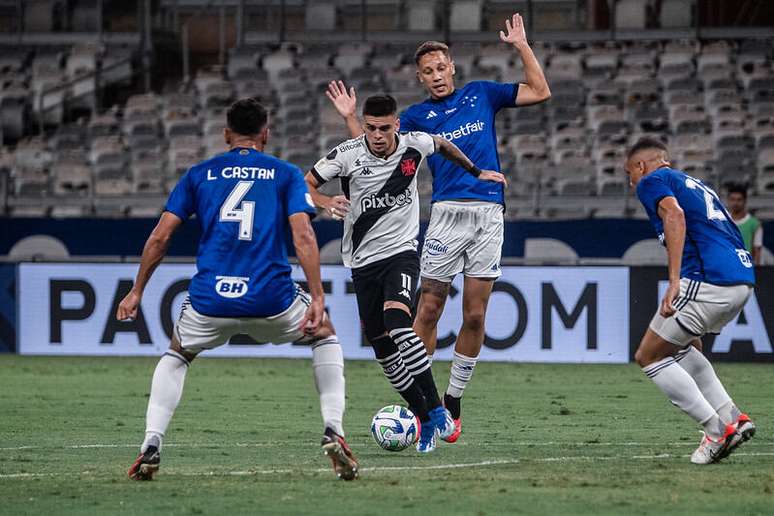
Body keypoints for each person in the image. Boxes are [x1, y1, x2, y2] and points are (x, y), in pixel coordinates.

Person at [326, 13, 551, 442]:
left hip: (488, 214)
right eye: (427, 71)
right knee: (428, 308)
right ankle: (423, 408)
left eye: (441, 68)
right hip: (445, 214)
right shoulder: (414, 117)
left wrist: (521, 45)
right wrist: (351, 118)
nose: (436, 76)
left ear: (452, 68)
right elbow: (373, 148)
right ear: (420, 78)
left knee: (475, 313)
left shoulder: (481, 94)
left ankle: (454, 402)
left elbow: (541, 91)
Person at [117, 98, 357, 481]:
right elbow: (303, 235)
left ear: (226, 134)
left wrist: (136, 291)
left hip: (210, 300)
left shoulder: (199, 173)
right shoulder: (284, 173)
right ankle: (334, 430)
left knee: (177, 354)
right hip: (272, 298)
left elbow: (160, 237)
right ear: (266, 134)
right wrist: (317, 297)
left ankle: (151, 443)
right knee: (325, 338)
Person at [305, 95, 506, 453]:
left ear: (397, 125)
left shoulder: (414, 144)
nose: (378, 135)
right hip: (362, 262)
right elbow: (306, 183)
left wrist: (477, 172)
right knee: (382, 348)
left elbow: (443, 144)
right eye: (371, 129)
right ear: (364, 127)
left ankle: (438, 410)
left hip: (401, 254)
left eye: (384, 128)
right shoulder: (346, 154)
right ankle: (425, 414)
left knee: (398, 322)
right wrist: (325, 202)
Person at [625, 137, 756, 465]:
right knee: (680, 348)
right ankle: (733, 418)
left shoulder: (653, 180)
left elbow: (674, 216)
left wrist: (674, 282)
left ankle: (716, 430)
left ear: (641, 166)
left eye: (630, 173)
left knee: (649, 356)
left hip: (707, 280)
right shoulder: (697, 185)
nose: (631, 183)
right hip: (741, 280)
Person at [726, 183, 763, 265]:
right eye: (732, 199)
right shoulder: (722, 222)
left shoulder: (755, 224)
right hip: (726, 270)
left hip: (746, 271)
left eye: (739, 200)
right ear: (728, 200)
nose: (735, 203)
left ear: (745, 201)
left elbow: (757, 251)